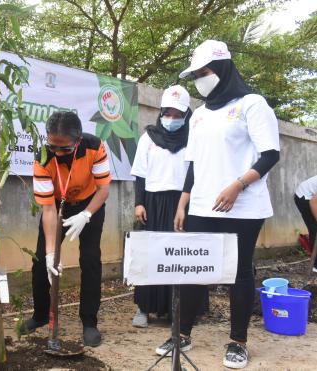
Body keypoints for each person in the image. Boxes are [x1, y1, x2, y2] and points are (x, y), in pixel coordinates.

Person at [154, 40, 280, 369]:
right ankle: (182, 334)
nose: (199, 78)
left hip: (244, 206)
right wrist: (183, 202)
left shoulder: (253, 104)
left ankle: (238, 341)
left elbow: (270, 154)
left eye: (204, 72)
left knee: (238, 274)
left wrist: (238, 185)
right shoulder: (197, 117)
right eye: (195, 74)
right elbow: (193, 164)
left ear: (222, 69)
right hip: (201, 206)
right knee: (194, 271)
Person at [19, 111, 111, 347]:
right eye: (53, 147)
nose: (58, 153)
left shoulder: (94, 146)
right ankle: (40, 315)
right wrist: (51, 253)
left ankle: (89, 321)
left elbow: (103, 189)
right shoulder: (42, 156)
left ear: (78, 140)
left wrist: (87, 214)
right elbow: (48, 210)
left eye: (65, 149)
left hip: (90, 204)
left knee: (90, 260)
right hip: (58, 207)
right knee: (41, 261)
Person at [130, 85, 193, 328]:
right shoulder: (149, 137)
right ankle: (144, 308)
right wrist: (139, 203)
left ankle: (177, 311)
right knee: (153, 254)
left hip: (183, 203)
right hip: (154, 203)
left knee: (181, 256)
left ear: (186, 116)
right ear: (161, 112)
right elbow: (140, 174)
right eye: (168, 113)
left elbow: (197, 173)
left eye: (178, 115)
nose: (172, 119)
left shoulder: (193, 140)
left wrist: (186, 204)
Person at [294, 175, 317, 272]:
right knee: (315, 229)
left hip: (313, 197)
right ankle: (316, 265)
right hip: (305, 197)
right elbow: (313, 202)